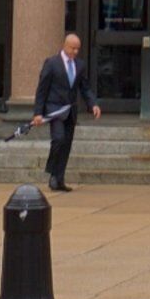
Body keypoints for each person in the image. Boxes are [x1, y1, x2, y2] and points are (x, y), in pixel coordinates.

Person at [31, 31, 100, 194]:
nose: (75, 52)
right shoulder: (52, 63)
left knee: (66, 144)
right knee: (58, 139)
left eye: (78, 49)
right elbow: (42, 89)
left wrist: (93, 104)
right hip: (54, 110)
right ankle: (53, 173)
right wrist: (38, 113)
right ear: (65, 45)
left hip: (70, 110)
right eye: (72, 48)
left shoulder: (79, 65)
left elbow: (85, 88)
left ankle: (59, 178)